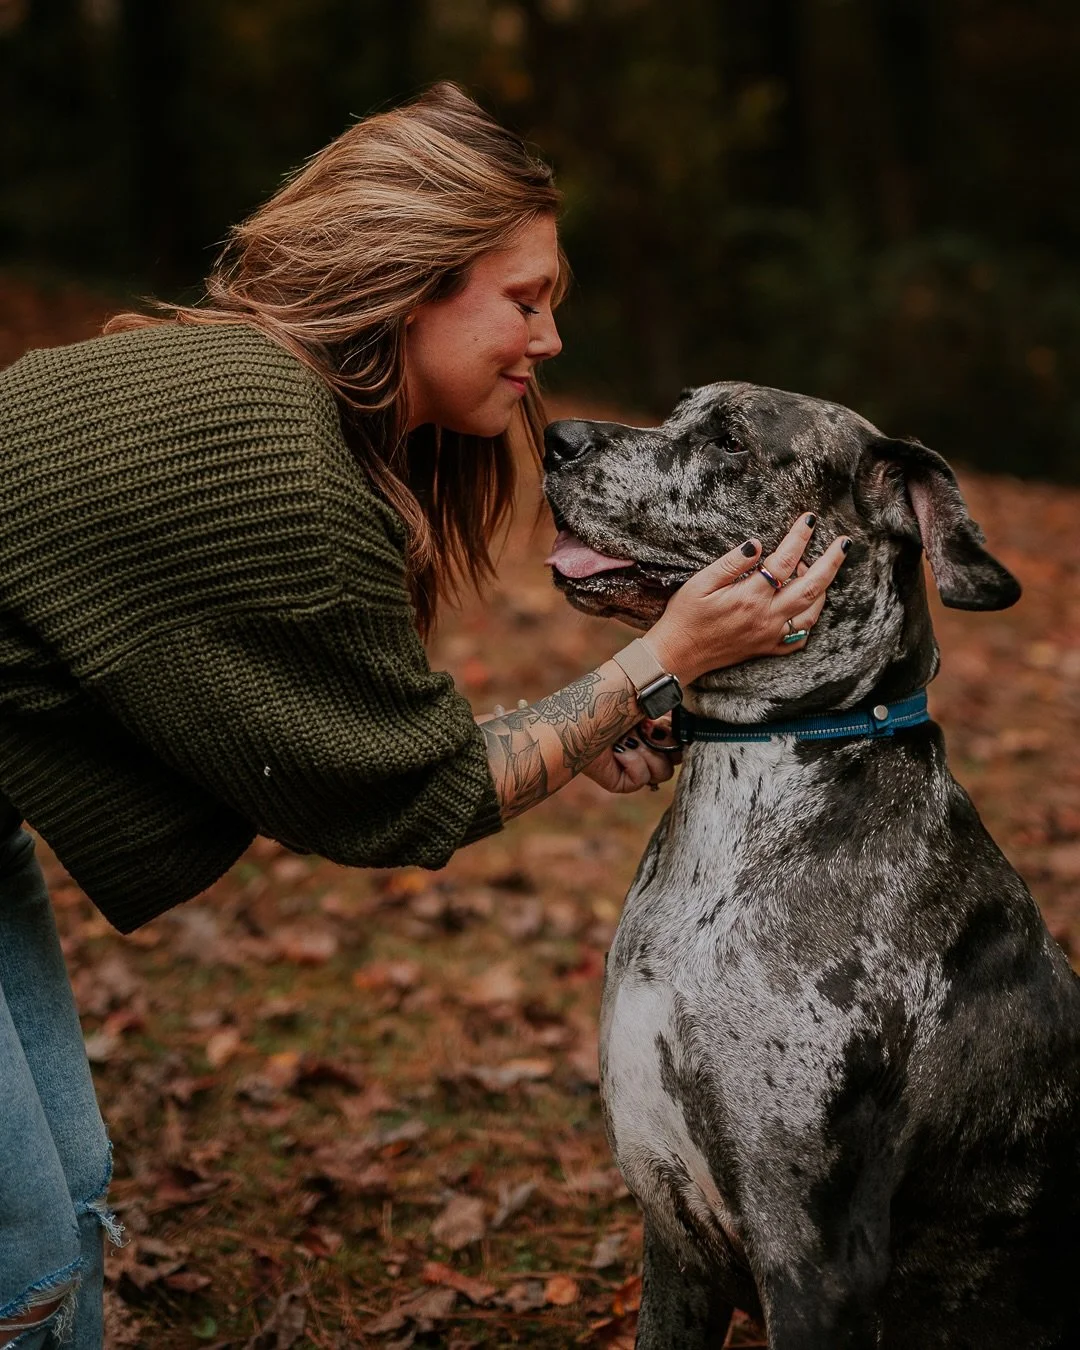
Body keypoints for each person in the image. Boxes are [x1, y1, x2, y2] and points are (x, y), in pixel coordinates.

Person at [0, 82, 848, 1348]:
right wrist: (658, 662)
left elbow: (351, 743)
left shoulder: (260, 400)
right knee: (21, 1265)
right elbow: (420, 797)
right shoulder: (267, 455)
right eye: (526, 298)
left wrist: (604, 705)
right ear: (413, 283)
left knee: (68, 1193)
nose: (550, 339)